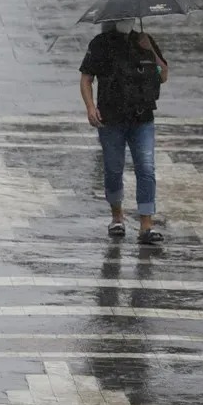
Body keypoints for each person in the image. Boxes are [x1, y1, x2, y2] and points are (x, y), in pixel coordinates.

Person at [79, 17, 169, 244]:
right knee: (113, 168)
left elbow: (163, 74)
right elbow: (86, 78)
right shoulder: (99, 44)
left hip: (143, 118)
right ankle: (117, 217)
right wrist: (91, 108)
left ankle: (146, 224)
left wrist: (151, 50)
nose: (125, 22)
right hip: (111, 119)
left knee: (146, 168)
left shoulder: (144, 41)